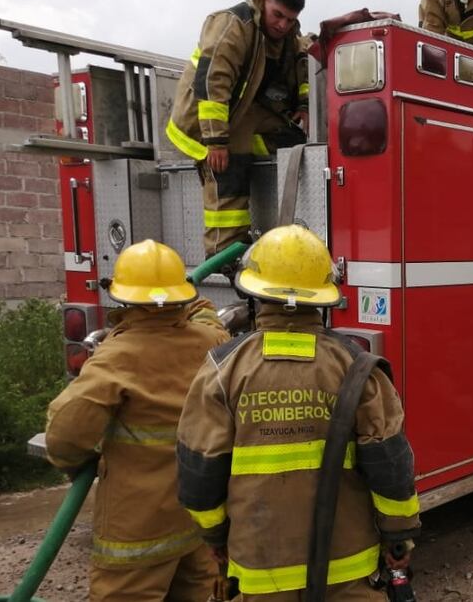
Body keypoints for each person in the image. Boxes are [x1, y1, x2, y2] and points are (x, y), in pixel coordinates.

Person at [176, 225, 421, 600]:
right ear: (322, 300)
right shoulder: (357, 366)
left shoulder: (223, 370)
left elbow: (200, 471)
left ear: (255, 295)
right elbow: (390, 467)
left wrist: (215, 536)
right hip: (348, 570)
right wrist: (399, 537)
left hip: (260, 571)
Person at [45, 239, 229, 601]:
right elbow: (210, 321)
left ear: (123, 297)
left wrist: (77, 464)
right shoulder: (212, 342)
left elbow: (65, 435)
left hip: (138, 531)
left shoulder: (117, 357)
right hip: (198, 520)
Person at [167, 0, 312, 258]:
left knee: (295, 140)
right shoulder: (232, 25)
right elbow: (212, 84)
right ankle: (223, 252)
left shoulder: (289, 36)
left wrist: (304, 106)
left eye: (290, 19)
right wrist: (217, 141)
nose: (283, 25)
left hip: (245, 113)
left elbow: (301, 67)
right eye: (278, 15)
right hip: (203, 120)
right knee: (228, 166)